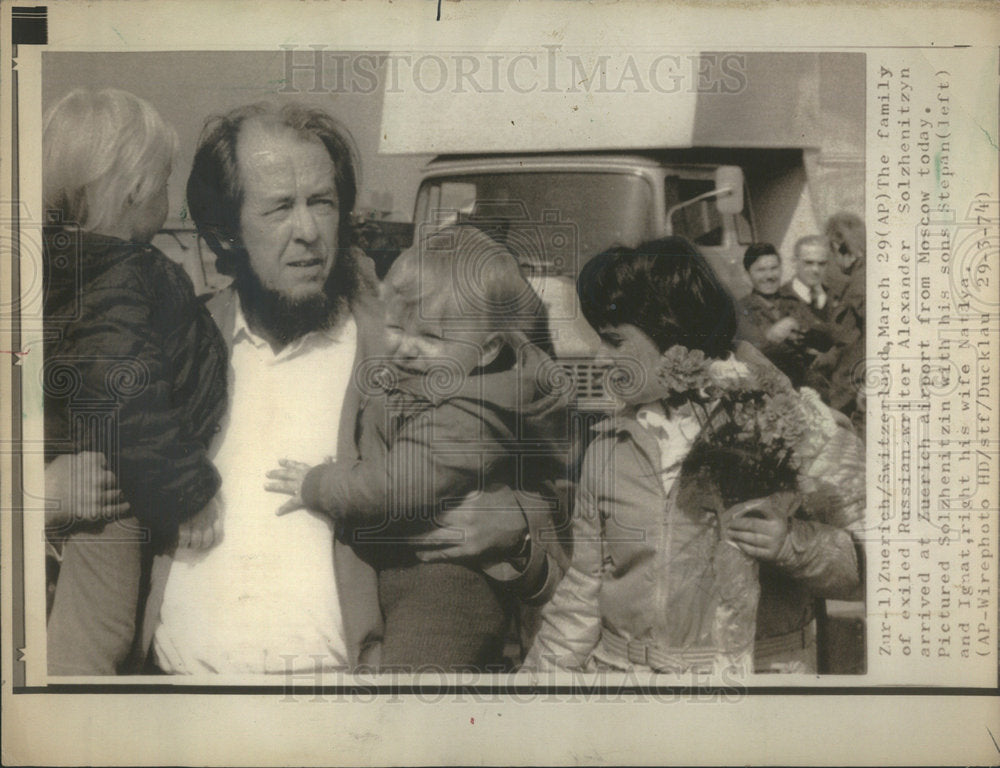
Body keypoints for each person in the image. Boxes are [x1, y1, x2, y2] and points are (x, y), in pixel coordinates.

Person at [145, 102, 554, 675]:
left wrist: (521, 533)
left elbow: (553, 493)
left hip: (346, 717)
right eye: (280, 208)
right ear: (226, 230)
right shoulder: (180, 342)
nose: (308, 232)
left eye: (322, 203)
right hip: (178, 709)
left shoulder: (405, 343)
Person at [525, 237, 865, 675]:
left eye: (614, 341)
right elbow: (582, 595)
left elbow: (875, 567)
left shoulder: (791, 424)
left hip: (750, 695)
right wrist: (534, 692)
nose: (599, 359)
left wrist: (791, 542)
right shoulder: (609, 444)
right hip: (625, 690)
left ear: (673, 332)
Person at [267, 226, 572, 668]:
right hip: (404, 569)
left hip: (447, 585)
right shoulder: (445, 377)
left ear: (486, 351)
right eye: (394, 326)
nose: (404, 348)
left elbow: (394, 486)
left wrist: (318, 483)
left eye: (430, 337)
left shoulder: (470, 412)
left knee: (412, 693)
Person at [42, 88, 228, 675]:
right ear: (135, 191)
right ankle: (67, 720)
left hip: (101, 466)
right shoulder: (119, 276)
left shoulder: (70, 267)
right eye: (165, 180)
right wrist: (190, 492)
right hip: (112, 483)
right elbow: (128, 398)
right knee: (103, 624)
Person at [734, 242, 833, 388]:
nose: (769, 276)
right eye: (761, 270)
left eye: (774, 268)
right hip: (769, 388)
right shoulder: (741, 310)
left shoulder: (794, 300)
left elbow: (827, 337)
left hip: (806, 384)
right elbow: (748, 353)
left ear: (781, 269)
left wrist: (805, 332)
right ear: (747, 274)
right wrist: (772, 336)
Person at [784, 234, 832, 320]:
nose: (816, 270)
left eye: (822, 264)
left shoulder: (835, 298)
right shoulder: (780, 299)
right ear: (794, 262)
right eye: (808, 263)